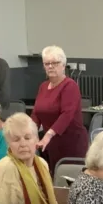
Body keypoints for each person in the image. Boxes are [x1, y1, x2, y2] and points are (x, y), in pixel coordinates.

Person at [32, 45, 87, 176]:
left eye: (55, 63)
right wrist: (29, 132)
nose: (50, 66)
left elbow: (66, 114)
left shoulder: (70, 85)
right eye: (47, 63)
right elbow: (36, 113)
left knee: (69, 180)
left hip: (71, 142)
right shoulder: (43, 86)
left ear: (63, 65)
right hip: (50, 143)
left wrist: (49, 135)